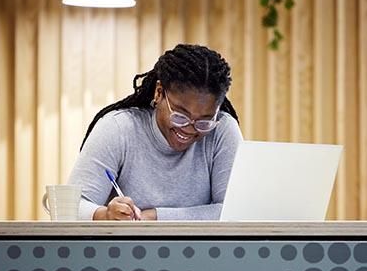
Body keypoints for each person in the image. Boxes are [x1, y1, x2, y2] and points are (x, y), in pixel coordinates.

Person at [68, 44, 243, 221]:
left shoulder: (222, 130)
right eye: (180, 116)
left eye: (204, 121)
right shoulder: (118, 129)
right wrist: (103, 215)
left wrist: (154, 217)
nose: (190, 128)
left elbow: (235, 212)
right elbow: (72, 207)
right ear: (159, 93)